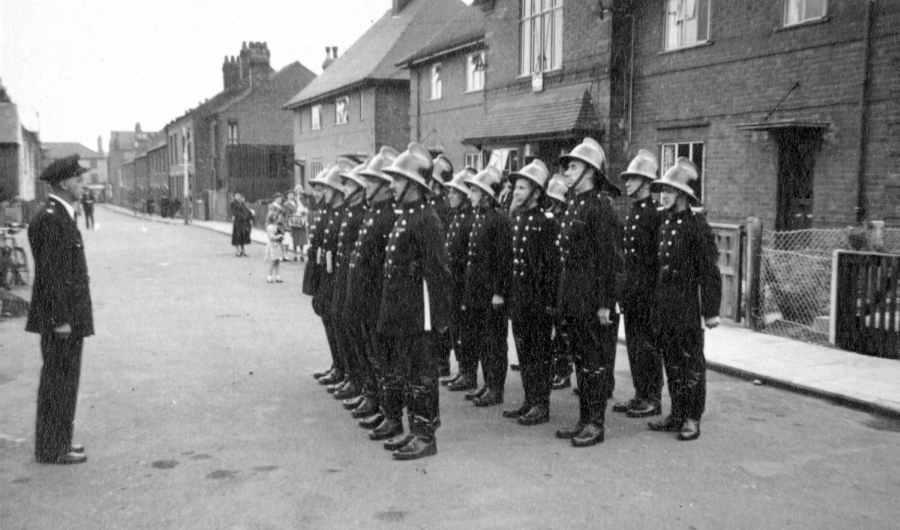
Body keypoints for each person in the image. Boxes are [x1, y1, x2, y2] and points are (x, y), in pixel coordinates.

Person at [373, 142, 452, 460]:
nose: (391, 185)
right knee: (409, 374)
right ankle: (413, 430)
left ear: (413, 183)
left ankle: (425, 435)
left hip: (421, 314)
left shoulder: (426, 219)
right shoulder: (408, 216)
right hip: (404, 310)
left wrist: (441, 321)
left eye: (396, 179)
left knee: (422, 375)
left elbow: (439, 272)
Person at [553, 137, 622, 448]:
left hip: (592, 299)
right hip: (574, 296)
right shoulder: (574, 205)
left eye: (574, 166)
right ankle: (584, 419)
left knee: (593, 362)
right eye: (567, 167)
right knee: (581, 360)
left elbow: (610, 260)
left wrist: (606, 303)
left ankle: (596, 424)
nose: (567, 172)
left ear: (590, 172)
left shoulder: (599, 208)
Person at [648, 157, 721, 441]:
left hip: (686, 304)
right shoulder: (665, 223)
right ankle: (676, 414)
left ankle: (692, 417)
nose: (663, 195)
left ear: (682, 194)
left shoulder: (696, 225)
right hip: (666, 303)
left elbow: (709, 271)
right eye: (662, 190)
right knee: (672, 362)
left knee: (691, 363)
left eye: (669, 191)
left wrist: (711, 311)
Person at [27, 155, 93, 465]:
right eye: (79, 180)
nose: (83, 185)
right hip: (61, 321)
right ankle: (52, 448)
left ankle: (59, 443)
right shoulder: (52, 218)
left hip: (66, 318)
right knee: (58, 383)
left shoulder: (60, 214)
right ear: (65, 184)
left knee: (64, 383)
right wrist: (61, 321)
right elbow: (51, 276)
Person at [341, 147, 400, 430]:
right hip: (365, 296)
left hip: (378, 297)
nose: (366, 187)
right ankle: (374, 397)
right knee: (371, 353)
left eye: (372, 181)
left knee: (384, 358)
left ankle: (388, 410)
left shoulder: (389, 216)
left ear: (387, 185)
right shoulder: (374, 212)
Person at [502, 160, 560, 426]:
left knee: (539, 352)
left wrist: (550, 302)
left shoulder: (545, 222)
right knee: (524, 352)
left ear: (537, 192)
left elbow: (551, 267)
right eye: (516, 187)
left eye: (522, 187)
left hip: (538, 301)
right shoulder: (519, 220)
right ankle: (529, 400)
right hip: (520, 298)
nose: (516, 192)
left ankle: (541, 404)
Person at [613, 149, 666, 419]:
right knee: (634, 345)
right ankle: (640, 394)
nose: (627, 183)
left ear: (646, 182)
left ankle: (653, 398)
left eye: (633, 179)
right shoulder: (634, 210)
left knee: (648, 346)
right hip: (633, 290)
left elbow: (658, 259)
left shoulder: (656, 214)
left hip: (648, 291)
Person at [461, 166, 513, 407]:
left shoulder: (499, 219)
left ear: (486, 194)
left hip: (492, 291)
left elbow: (503, 259)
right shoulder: (481, 216)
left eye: (474, 190)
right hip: (478, 289)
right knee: (483, 339)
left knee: (494, 341)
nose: (470, 195)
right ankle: (488, 383)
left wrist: (499, 292)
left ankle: (496, 388)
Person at [443, 167, 477, 390]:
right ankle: (462, 369)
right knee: (456, 327)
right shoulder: (457, 218)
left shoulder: (468, 220)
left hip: (463, 281)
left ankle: (469, 372)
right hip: (454, 281)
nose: (450, 196)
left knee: (465, 328)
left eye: (455, 192)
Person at [545, 175, 573, 391]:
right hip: (554, 276)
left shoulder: (565, 220)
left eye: (557, 202)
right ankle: (558, 368)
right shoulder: (553, 219)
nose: (553, 206)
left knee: (563, 328)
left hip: (564, 278)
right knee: (556, 325)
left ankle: (564, 371)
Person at [230, 193, 253, 257]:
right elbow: (235, 212)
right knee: (237, 236)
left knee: (243, 236)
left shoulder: (242, 203)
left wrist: (251, 217)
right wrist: (243, 216)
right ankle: (237, 251)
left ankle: (243, 251)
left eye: (239, 196)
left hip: (244, 222)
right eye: (237, 196)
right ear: (235, 196)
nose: (238, 197)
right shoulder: (233, 203)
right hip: (238, 222)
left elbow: (247, 210)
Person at [264, 211, 285, 283]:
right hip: (273, 245)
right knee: (273, 261)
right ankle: (269, 277)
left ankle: (277, 276)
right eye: (277, 219)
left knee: (277, 261)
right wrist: (279, 236)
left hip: (277, 245)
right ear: (274, 219)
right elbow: (271, 237)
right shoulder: (270, 227)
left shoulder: (275, 226)